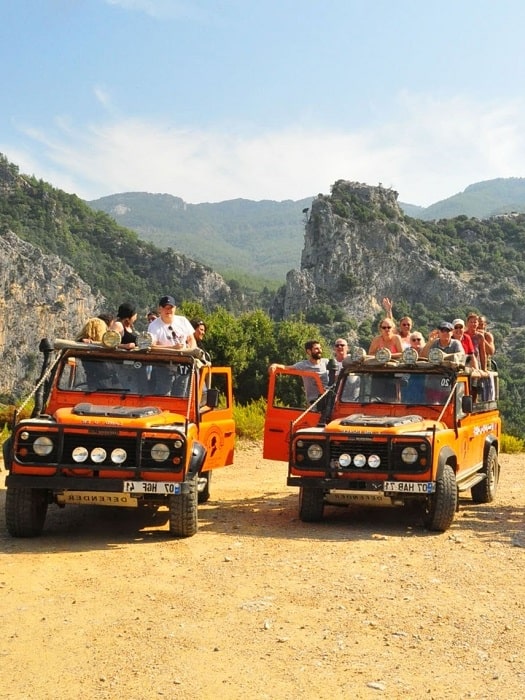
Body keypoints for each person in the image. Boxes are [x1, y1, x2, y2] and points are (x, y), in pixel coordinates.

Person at [269, 340, 329, 405]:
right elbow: (286, 368)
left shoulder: (326, 362)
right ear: (309, 351)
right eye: (316, 349)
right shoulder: (304, 365)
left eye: (320, 348)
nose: (320, 350)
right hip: (315, 403)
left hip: (329, 401)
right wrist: (275, 365)